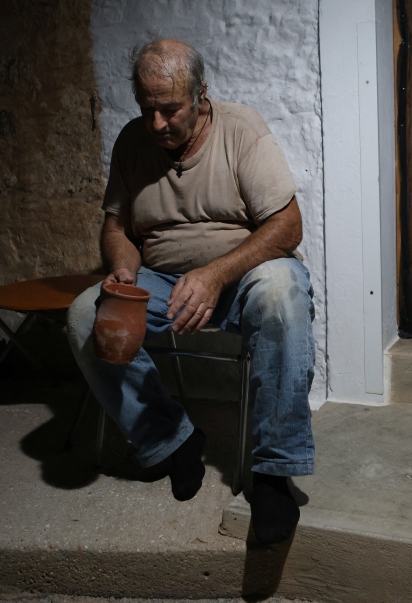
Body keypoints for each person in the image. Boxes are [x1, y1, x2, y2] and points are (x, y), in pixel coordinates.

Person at [66, 39, 314, 545]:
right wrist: (122, 270)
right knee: (84, 316)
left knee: (282, 293)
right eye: (146, 108)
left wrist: (217, 274)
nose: (156, 123)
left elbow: (288, 226)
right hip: (164, 284)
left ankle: (273, 474)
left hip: (243, 276)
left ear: (202, 94)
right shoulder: (134, 142)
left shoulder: (240, 129)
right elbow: (119, 229)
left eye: (169, 109)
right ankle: (171, 438)